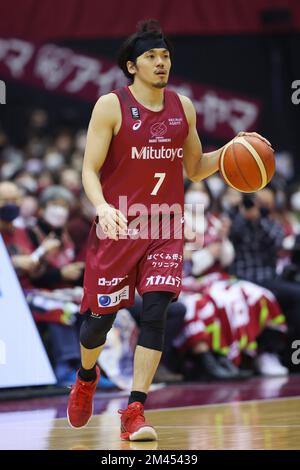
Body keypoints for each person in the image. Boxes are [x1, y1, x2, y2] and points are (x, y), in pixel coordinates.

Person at [67, 19, 272, 441]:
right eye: (150, 57)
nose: (161, 63)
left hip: (164, 224)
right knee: (97, 323)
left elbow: (194, 167)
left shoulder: (184, 107)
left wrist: (234, 151)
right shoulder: (110, 106)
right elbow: (89, 169)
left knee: (157, 312)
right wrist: (102, 206)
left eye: (165, 56)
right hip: (120, 223)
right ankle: (86, 376)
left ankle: (135, 410)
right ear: (131, 66)